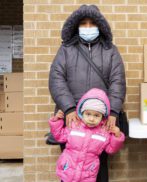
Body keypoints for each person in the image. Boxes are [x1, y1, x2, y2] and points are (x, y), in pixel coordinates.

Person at [48, 4, 126, 182]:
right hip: (72, 118)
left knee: (99, 168)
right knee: (70, 165)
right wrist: (68, 108)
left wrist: (113, 111)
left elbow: (118, 82)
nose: (88, 27)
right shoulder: (66, 50)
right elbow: (56, 79)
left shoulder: (110, 51)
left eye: (93, 23)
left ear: (100, 26)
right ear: (76, 26)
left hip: (101, 120)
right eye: (84, 23)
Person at [49, 88, 125, 182]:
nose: (91, 119)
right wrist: (56, 121)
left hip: (87, 174)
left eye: (96, 115)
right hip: (68, 170)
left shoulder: (104, 132)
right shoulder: (74, 125)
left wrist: (117, 136)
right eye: (88, 114)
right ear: (82, 113)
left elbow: (111, 149)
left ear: (103, 117)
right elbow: (59, 136)